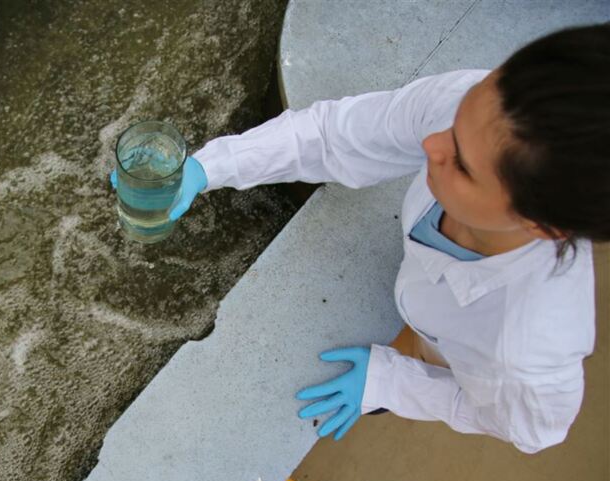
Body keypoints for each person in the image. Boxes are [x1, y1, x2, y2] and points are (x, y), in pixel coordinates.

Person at [119, 23, 609, 454]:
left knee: (430, 349)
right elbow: (336, 135)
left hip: (454, 348)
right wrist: (212, 167)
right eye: (458, 118)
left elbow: (527, 429)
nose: (432, 144)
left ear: (543, 225)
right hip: (435, 298)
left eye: (460, 163)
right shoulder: (482, 113)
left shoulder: (524, 350)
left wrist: (393, 383)